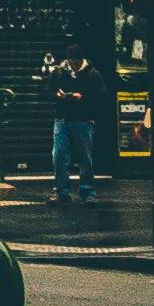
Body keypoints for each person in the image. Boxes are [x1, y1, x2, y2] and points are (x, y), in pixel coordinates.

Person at [47, 41, 96, 205]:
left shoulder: (92, 74)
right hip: (62, 119)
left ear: (82, 60)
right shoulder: (59, 73)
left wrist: (82, 98)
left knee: (85, 157)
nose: (74, 67)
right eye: (71, 63)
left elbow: (101, 96)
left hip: (83, 120)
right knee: (59, 155)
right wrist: (57, 94)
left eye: (77, 63)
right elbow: (47, 91)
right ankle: (62, 192)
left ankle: (87, 191)